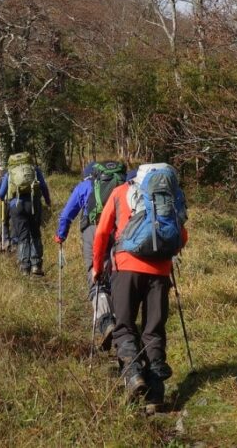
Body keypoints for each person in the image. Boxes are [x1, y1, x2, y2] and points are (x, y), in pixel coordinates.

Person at [91, 162, 188, 407]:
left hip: (126, 268)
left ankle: (134, 376)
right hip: (161, 271)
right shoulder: (172, 194)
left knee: (123, 326)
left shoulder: (121, 191)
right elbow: (182, 234)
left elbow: (102, 233)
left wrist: (97, 267)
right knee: (154, 329)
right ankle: (155, 394)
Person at [54, 159, 127, 348]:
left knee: (95, 274)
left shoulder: (85, 186)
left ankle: (106, 321)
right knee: (118, 274)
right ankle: (123, 323)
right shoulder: (123, 183)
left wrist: (61, 235)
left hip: (94, 232)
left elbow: (66, 214)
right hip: (121, 231)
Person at [0, 152, 52, 275]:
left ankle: (25, 267)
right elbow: (44, 187)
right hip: (33, 204)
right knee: (35, 234)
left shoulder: (10, 172)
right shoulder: (34, 169)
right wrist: (47, 201)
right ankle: (36, 265)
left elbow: (0, 193)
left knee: (22, 236)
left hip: (16, 206)